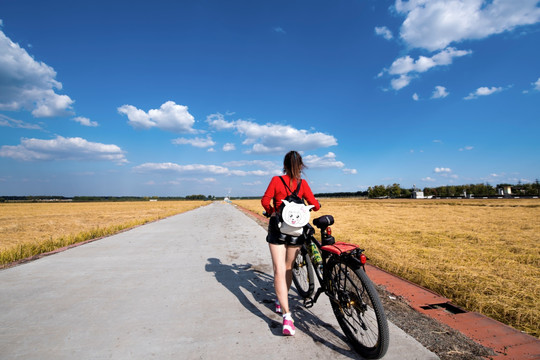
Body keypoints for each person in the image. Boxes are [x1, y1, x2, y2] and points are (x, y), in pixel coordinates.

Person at [261, 150, 320, 336]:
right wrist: (314, 206)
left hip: (278, 227)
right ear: (301, 166)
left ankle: (287, 317)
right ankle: (281, 300)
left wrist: (272, 211)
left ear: (284, 165)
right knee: (288, 268)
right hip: (296, 231)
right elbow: (314, 204)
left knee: (278, 269)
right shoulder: (303, 184)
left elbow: (264, 201)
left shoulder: (276, 180)